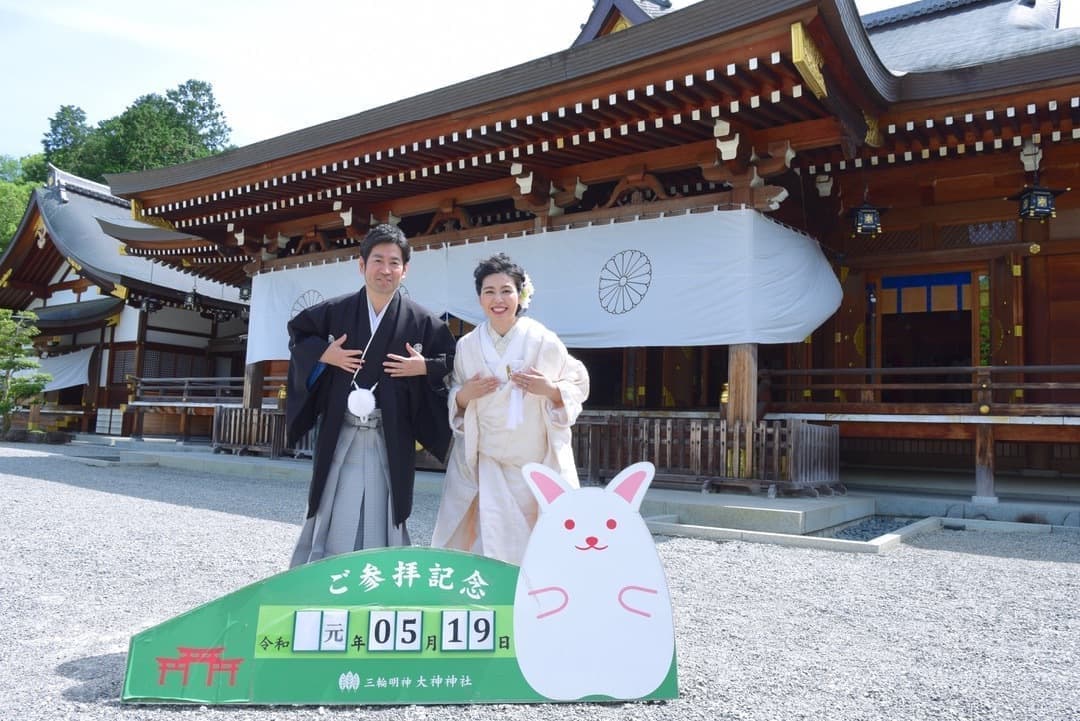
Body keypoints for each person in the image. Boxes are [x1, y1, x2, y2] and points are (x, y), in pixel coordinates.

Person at [285, 224, 455, 567]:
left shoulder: (422, 321)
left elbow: (451, 361)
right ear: (361, 265)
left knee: (385, 502)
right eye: (378, 260)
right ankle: (319, 566)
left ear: (405, 270)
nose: (386, 269)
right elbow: (298, 334)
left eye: (395, 262)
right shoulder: (335, 311)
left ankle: (382, 569)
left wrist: (425, 368)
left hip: (390, 430)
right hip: (341, 427)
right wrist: (324, 354)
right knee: (332, 496)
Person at [431, 253, 589, 565]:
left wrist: (550, 390)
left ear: (521, 294)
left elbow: (577, 383)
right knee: (489, 537)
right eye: (489, 291)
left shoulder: (543, 340)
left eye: (506, 290)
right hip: (488, 460)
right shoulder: (468, 345)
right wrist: (465, 395)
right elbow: (455, 395)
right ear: (479, 298)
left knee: (538, 540)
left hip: (534, 458)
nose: (498, 299)